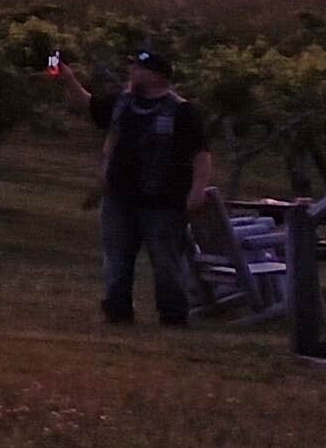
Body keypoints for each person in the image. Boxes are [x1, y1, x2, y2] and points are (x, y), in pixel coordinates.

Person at [53, 45, 215, 326]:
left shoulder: (182, 111)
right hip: (119, 198)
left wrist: (197, 190)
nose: (133, 72)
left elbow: (201, 155)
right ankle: (117, 311)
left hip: (164, 203)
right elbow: (88, 106)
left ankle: (173, 315)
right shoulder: (122, 103)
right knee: (116, 257)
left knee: (166, 261)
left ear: (156, 75)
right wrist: (67, 78)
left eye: (139, 68)